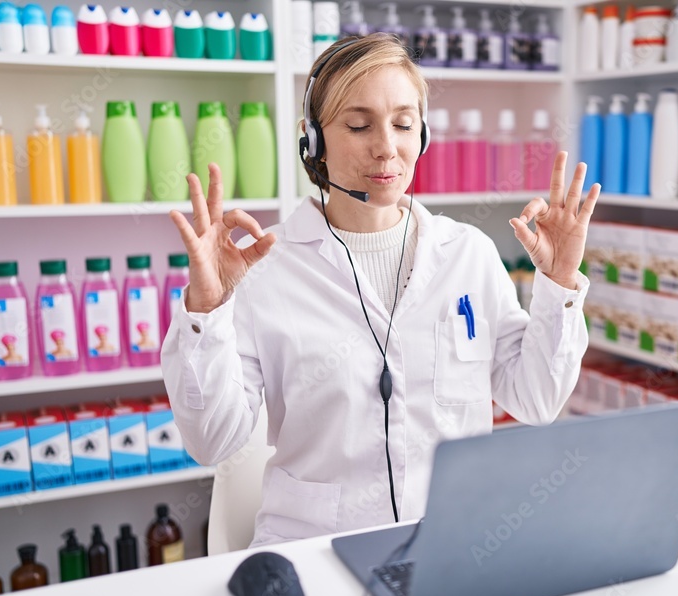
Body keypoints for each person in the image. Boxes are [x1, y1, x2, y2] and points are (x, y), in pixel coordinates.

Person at [161, 34, 601, 547]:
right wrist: (207, 310)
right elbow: (212, 440)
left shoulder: (467, 254)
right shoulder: (264, 267)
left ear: (424, 135)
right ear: (314, 143)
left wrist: (561, 282)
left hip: (453, 543)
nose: (387, 147)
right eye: (358, 124)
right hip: (313, 548)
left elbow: (538, 398)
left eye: (403, 123)